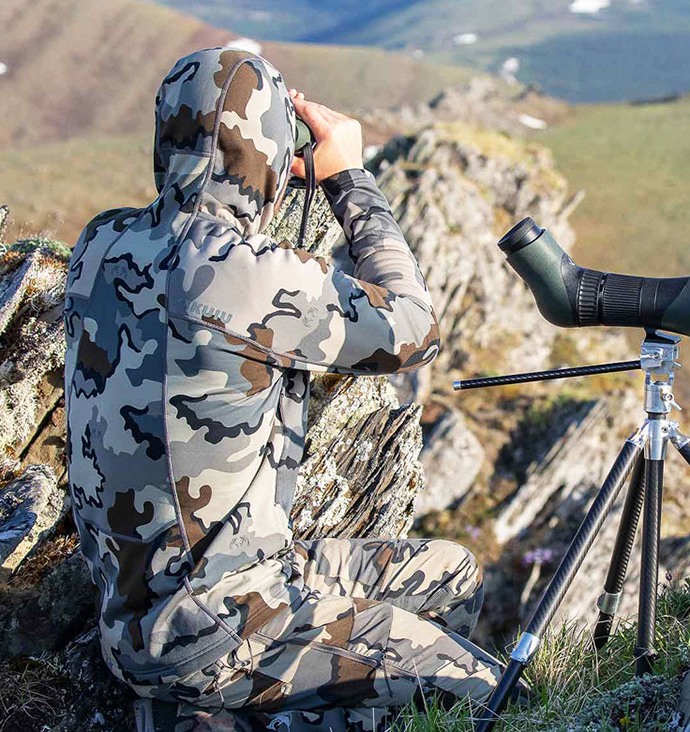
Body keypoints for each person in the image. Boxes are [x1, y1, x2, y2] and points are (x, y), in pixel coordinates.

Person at [64, 47, 506, 732]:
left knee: (450, 570)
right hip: (227, 631)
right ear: (269, 154)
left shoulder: (101, 244)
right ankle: (228, 707)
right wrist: (349, 178)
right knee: (492, 694)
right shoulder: (247, 275)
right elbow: (415, 327)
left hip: (151, 607)